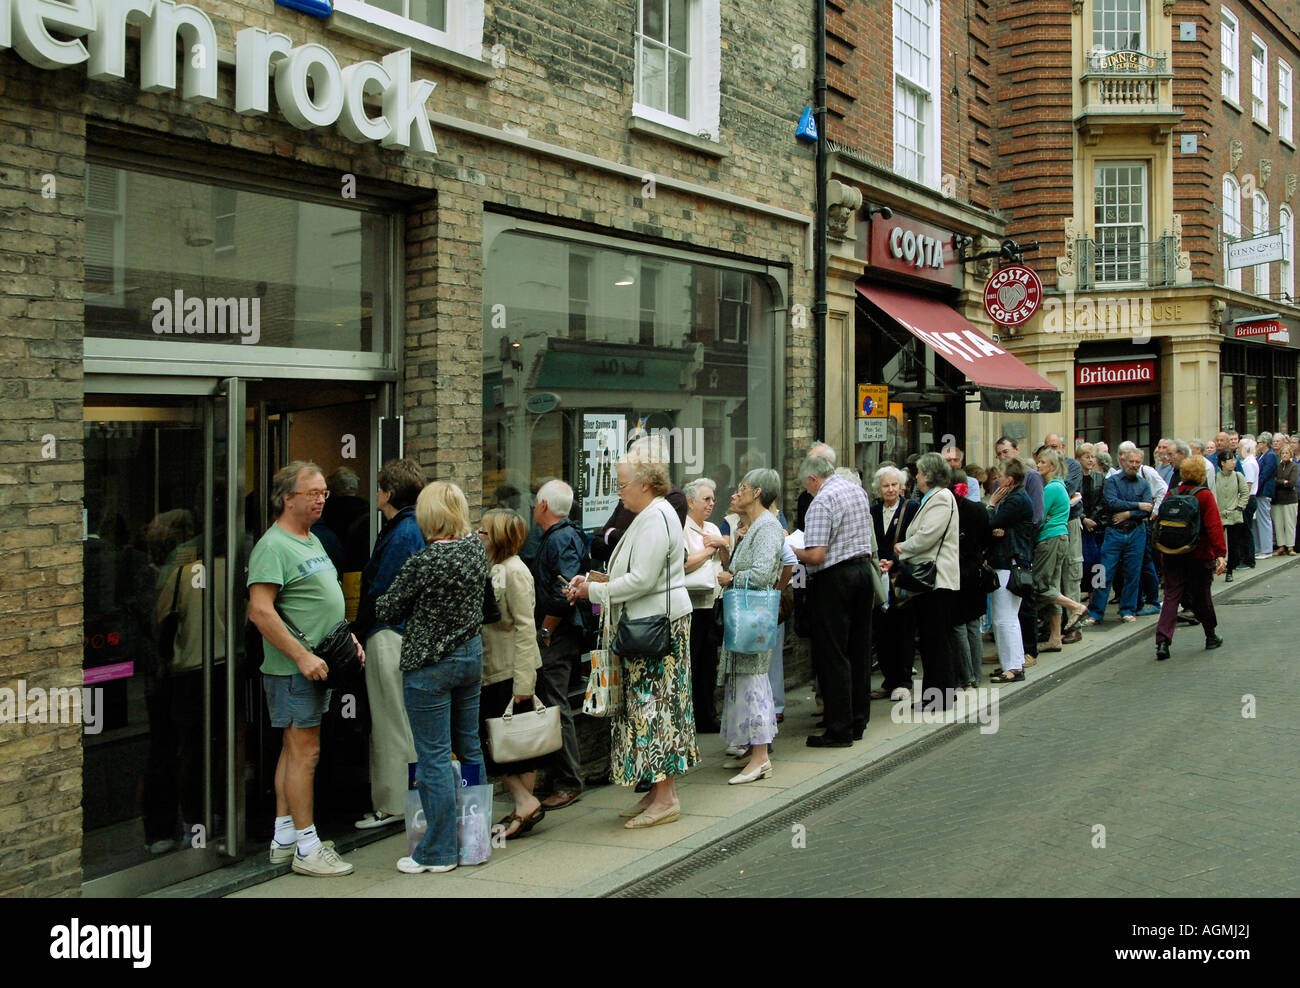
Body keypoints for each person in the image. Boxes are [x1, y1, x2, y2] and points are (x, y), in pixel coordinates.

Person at [565, 438, 697, 828]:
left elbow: (641, 581)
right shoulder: (649, 515)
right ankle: (657, 793)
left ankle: (666, 797)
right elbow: (636, 575)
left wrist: (595, 590)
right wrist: (595, 579)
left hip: (655, 628)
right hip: (648, 624)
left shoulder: (656, 517)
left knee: (656, 710)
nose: (618, 493)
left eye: (622, 485)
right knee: (646, 709)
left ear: (645, 482)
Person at [247, 461, 365, 877]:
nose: (320, 499)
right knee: (306, 753)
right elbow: (260, 612)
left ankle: (284, 838)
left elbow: (320, 599)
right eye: (312, 493)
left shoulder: (310, 539)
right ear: (287, 498)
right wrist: (301, 656)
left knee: (293, 749)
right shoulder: (273, 546)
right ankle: (307, 847)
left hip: (317, 664)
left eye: (323, 493)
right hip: (294, 670)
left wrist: (346, 637)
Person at [375, 481, 489, 874]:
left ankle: (437, 852)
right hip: (470, 659)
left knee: (434, 758)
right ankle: (474, 842)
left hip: (429, 667)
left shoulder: (423, 562)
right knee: (470, 746)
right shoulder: (476, 548)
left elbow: (388, 609)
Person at [352, 458, 425, 831]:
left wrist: (356, 628)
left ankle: (394, 803)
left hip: (388, 634)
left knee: (389, 719)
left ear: (389, 493)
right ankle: (409, 798)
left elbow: (384, 592)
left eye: (379, 489)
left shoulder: (400, 534)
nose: (376, 497)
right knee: (405, 719)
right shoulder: (418, 526)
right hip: (406, 633)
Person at [794, 451, 874, 745]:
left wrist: (792, 550)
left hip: (835, 579)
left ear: (814, 479)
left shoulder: (822, 501)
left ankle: (839, 728)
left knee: (834, 653)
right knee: (859, 649)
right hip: (863, 572)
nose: (807, 490)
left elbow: (815, 554)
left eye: (807, 485)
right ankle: (857, 720)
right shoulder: (856, 490)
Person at [477, 508, 546, 839]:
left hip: (510, 671)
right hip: (496, 668)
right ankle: (524, 805)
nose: (478, 536)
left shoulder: (513, 572)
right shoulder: (495, 569)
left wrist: (523, 682)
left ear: (498, 538)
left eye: (484, 532)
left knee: (503, 745)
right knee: (516, 747)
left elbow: (524, 626)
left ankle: (524, 801)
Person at [716, 468, 784, 784]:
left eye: (742, 486)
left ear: (756, 493)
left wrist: (731, 578)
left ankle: (761, 757)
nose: (737, 491)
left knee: (754, 680)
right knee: (744, 680)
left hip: (754, 617)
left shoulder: (768, 528)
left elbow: (761, 575)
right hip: (744, 616)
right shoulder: (754, 526)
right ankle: (749, 748)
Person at [883, 452, 961, 711]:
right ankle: (938, 693)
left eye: (919, 472)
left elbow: (928, 536)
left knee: (935, 639)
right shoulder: (933, 498)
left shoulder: (941, 498)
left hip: (937, 580)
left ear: (928, 475)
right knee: (931, 639)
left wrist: (902, 547)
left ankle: (939, 696)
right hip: (931, 581)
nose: (916, 476)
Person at [529, 479, 588, 810]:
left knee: (556, 707)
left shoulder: (560, 538)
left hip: (559, 635)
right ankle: (558, 776)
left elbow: (566, 591)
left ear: (543, 505)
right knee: (553, 706)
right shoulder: (563, 535)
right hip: (561, 633)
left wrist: (546, 630)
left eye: (536, 502)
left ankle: (568, 781)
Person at [1155, 457, 1227, 660]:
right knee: (1202, 596)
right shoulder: (1204, 496)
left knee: (1171, 597)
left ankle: (1162, 641)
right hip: (1198, 554)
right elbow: (1214, 527)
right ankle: (1210, 636)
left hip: (1172, 554)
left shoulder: (1172, 493)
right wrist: (1220, 554)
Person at [1082, 448, 1152, 626]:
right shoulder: (1112, 482)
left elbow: (1148, 509)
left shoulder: (1144, 484)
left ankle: (1127, 609)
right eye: (1131, 462)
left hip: (1136, 532)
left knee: (1132, 573)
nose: (1134, 465)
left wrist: (1128, 513)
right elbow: (1111, 503)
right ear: (1123, 462)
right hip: (1114, 532)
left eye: (1138, 462)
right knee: (1102, 572)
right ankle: (1096, 612)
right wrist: (1137, 505)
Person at [1032, 448, 1091, 649]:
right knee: (1053, 587)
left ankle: (1076, 607)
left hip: (1050, 540)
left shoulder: (1051, 489)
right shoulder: (1058, 487)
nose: (1038, 465)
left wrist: (1043, 518)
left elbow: (1037, 517)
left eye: (1042, 462)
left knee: (1041, 587)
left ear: (1052, 466)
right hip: (1058, 538)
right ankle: (1055, 638)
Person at [869, 466, 920, 702]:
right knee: (881, 630)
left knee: (903, 629)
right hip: (878, 577)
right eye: (885, 485)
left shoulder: (910, 509)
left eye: (894, 485)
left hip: (900, 577)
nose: (890, 489)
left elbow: (916, 541)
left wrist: (895, 561)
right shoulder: (872, 511)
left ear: (902, 486)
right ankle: (889, 680)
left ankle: (902, 681)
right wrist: (876, 561)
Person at [985, 457, 1036, 683]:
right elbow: (995, 528)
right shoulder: (1013, 497)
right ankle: (1009, 663)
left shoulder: (1015, 500)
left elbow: (990, 524)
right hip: (1004, 561)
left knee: (1007, 617)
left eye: (1001, 476)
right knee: (1000, 617)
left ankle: (1015, 666)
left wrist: (991, 506)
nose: (997, 479)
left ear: (1010, 480)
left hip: (1010, 563)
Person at [682, 478, 727, 733]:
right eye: (706, 499)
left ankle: (707, 714)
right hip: (691, 605)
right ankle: (692, 717)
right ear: (691, 502)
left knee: (710, 662)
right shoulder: (682, 529)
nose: (712, 503)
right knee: (693, 662)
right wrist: (709, 551)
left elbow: (726, 560)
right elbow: (684, 564)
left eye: (713, 499)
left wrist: (722, 546)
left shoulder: (712, 527)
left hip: (713, 602)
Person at [949, 470, 990, 688]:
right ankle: (976, 674)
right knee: (973, 625)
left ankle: (964, 676)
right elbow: (986, 539)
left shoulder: (949, 511)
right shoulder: (979, 509)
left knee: (958, 625)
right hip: (975, 571)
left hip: (955, 571)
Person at [1214, 450, 1251, 580]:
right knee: (1219, 543)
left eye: (1234, 460)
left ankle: (1230, 570)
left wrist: (1240, 506)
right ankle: (1219, 565)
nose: (1233, 462)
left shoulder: (1238, 476)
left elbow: (1245, 493)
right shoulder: (1215, 477)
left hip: (1234, 515)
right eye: (1231, 460)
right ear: (1223, 463)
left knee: (1233, 543)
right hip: (1219, 515)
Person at [795, 440, 837, 531]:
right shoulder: (805, 497)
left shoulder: (845, 490)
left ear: (827, 462)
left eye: (813, 460)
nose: (808, 464)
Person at [1272, 434, 1298, 554]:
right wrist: (1283, 482)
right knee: (1278, 523)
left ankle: (1290, 546)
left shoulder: (1294, 466)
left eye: (1287, 453)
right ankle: (1281, 545)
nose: (1284, 455)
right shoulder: (1278, 466)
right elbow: (1275, 481)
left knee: (1289, 523)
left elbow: (1292, 482)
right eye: (1283, 454)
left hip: (1290, 499)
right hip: (1278, 499)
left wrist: (1282, 482)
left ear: (1290, 454)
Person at [1255, 431, 1277, 559]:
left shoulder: (1271, 456)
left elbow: (1265, 474)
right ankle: (1260, 547)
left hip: (1264, 491)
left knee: (1264, 519)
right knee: (1258, 520)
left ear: (1265, 443)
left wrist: (1256, 486)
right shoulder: (1260, 456)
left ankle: (1267, 549)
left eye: (1259, 443)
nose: (1258, 445)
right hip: (1259, 491)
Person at [1239, 436, 1259, 566]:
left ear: (1246, 449)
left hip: (1248, 499)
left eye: (1240, 447)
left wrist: (1242, 501)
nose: (1238, 450)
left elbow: (1248, 484)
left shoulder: (1250, 463)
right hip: (1248, 498)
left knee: (1246, 530)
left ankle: (1248, 559)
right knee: (1245, 529)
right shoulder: (1247, 462)